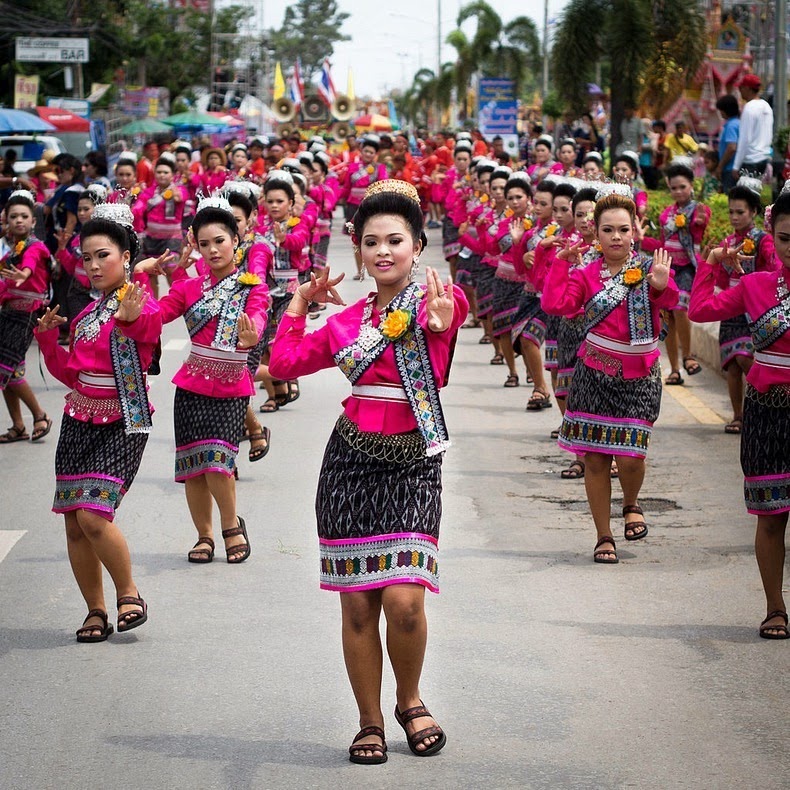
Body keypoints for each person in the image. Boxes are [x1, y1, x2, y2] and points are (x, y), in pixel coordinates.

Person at [269, 179, 468, 764]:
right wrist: (300, 304)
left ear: (416, 246)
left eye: (396, 240)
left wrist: (437, 322)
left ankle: (409, 699)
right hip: (351, 463)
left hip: (412, 463)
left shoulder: (438, 302)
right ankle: (370, 720)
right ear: (357, 250)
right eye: (372, 241)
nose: (384, 251)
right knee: (358, 604)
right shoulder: (346, 321)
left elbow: (442, 343)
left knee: (405, 601)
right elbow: (282, 363)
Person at [34, 202, 163, 640]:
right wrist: (48, 340)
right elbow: (72, 373)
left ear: (126, 256)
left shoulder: (139, 301)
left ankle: (129, 594)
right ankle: (95, 610)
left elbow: (148, 328)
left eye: (102, 255)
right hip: (77, 420)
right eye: (86, 258)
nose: (92, 265)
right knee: (74, 521)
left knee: (92, 514)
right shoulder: (88, 315)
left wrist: (130, 321)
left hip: (124, 421)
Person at [542, 189, 678, 564]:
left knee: (633, 455)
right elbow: (557, 305)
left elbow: (673, 304)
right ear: (596, 234)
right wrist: (559, 266)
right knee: (597, 459)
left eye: (623, 229)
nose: (616, 237)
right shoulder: (586, 274)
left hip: (640, 375)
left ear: (635, 230)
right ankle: (603, 535)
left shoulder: (652, 269)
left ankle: (631, 502)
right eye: (608, 230)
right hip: (595, 375)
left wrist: (663, 287)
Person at [135, 197, 269, 564]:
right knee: (193, 468)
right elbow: (153, 319)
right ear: (196, 245)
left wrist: (252, 335)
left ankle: (230, 526)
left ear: (235, 242)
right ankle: (203, 535)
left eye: (220, 241)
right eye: (205, 243)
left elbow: (258, 316)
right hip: (192, 387)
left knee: (218, 463)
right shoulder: (189, 289)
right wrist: (140, 278)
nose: (213, 250)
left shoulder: (251, 286)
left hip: (231, 387)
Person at [687, 183, 790, 639]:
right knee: (771, 517)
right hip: (767, 416)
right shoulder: (755, 286)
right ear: (773, 235)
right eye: (786, 238)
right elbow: (701, 308)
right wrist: (709, 267)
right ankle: (774, 608)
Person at [701, 178, 777, 433]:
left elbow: (772, 270)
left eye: (740, 212)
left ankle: (767, 406)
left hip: (755, 309)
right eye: (731, 212)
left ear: (754, 212)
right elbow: (721, 278)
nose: (734, 217)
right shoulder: (727, 242)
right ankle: (738, 416)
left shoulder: (765, 240)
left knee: (745, 357)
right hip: (731, 308)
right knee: (732, 366)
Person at [641, 161, 710, 384]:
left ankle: (688, 357)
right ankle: (674, 369)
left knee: (680, 308)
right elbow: (662, 242)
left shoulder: (699, 209)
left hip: (687, 268)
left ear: (691, 185)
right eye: (673, 188)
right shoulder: (666, 214)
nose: (678, 191)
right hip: (667, 266)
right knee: (667, 316)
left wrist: (696, 220)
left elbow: (700, 225)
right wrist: (641, 240)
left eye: (682, 186)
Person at [0, 190, 53, 443]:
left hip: (27, 316)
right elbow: (5, 285)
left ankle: (40, 414)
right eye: (13, 216)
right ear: (6, 220)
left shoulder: (35, 247)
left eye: (24, 216)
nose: (19, 220)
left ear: (33, 221)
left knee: (5, 369)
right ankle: (18, 426)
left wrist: (24, 274)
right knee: (10, 372)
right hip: (8, 315)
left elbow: (29, 267)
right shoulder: (10, 253)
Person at [731, 74, 773, 179]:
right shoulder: (766, 106)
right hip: (764, 158)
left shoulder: (749, 108)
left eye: (741, 88)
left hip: (751, 161)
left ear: (748, 88)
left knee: (745, 194)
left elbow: (745, 139)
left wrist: (736, 166)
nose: (739, 91)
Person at [715, 93, 740, 192]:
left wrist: (720, 166)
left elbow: (731, 148)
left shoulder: (731, 126)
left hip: (730, 168)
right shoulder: (738, 123)